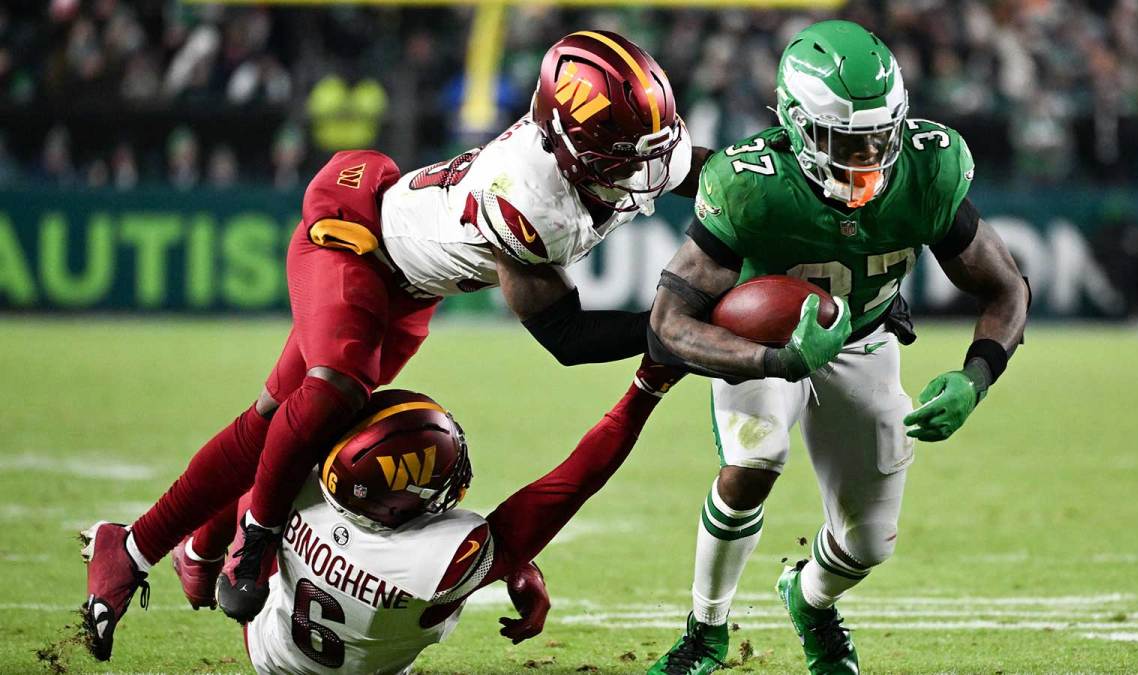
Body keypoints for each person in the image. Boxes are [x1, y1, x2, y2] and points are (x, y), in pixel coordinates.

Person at [79, 30, 711, 661]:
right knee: (332, 390)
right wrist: (687, 325)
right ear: (566, 144)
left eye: (648, 149)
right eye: (623, 155)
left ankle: (145, 545)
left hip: (407, 293)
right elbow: (567, 337)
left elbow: (718, 178)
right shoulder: (527, 199)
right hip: (356, 240)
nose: (645, 170)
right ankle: (255, 538)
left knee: (276, 423)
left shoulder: (625, 150)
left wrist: (780, 192)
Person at [644, 20, 1029, 675]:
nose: (867, 156)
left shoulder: (928, 170)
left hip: (863, 333)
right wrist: (778, 360)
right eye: (844, 141)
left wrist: (976, 376)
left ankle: (811, 598)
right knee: (757, 453)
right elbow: (668, 324)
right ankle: (705, 631)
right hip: (762, 339)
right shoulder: (751, 183)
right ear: (795, 126)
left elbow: (1005, 286)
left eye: (881, 137)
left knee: (869, 541)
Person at [82, 357, 684, 672]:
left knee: (260, 470)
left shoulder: (309, 491)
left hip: (269, 648)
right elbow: (570, 484)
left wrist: (516, 563)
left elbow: (263, 467)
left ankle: (199, 554)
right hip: (357, 658)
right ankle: (205, 554)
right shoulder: (445, 555)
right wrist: (645, 391)